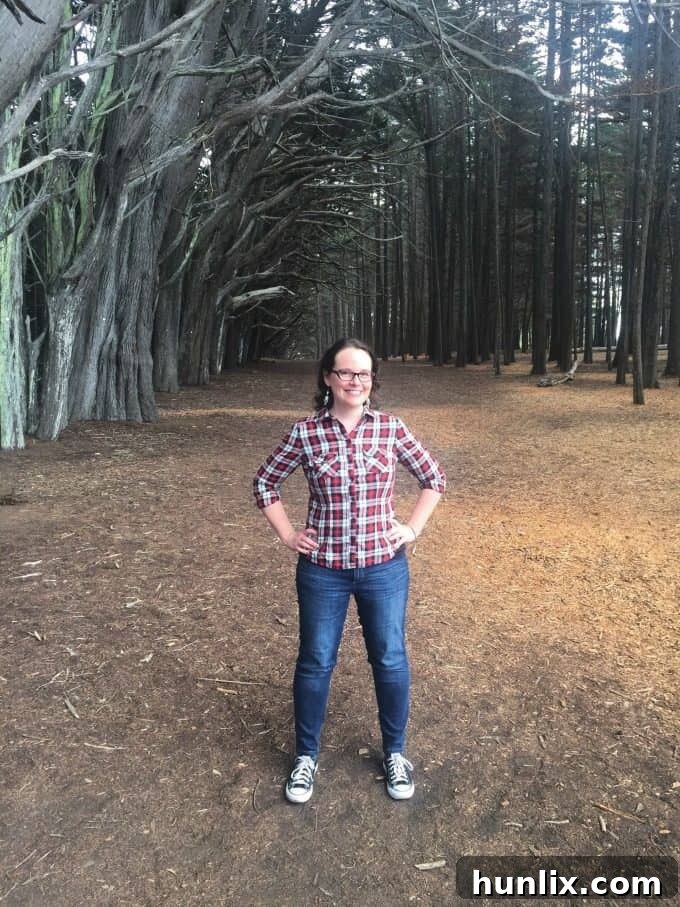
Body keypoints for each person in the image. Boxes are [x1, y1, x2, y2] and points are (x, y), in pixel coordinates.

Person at [253, 338, 445, 803]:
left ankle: (395, 753)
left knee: (390, 657)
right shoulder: (305, 433)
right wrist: (287, 535)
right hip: (324, 571)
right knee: (317, 660)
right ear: (327, 378)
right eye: (345, 373)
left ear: (372, 381)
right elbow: (265, 482)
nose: (355, 382)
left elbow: (433, 478)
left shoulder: (391, 429)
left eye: (363, 375)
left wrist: (412, 528)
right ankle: (305, 758)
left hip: (384, 569)